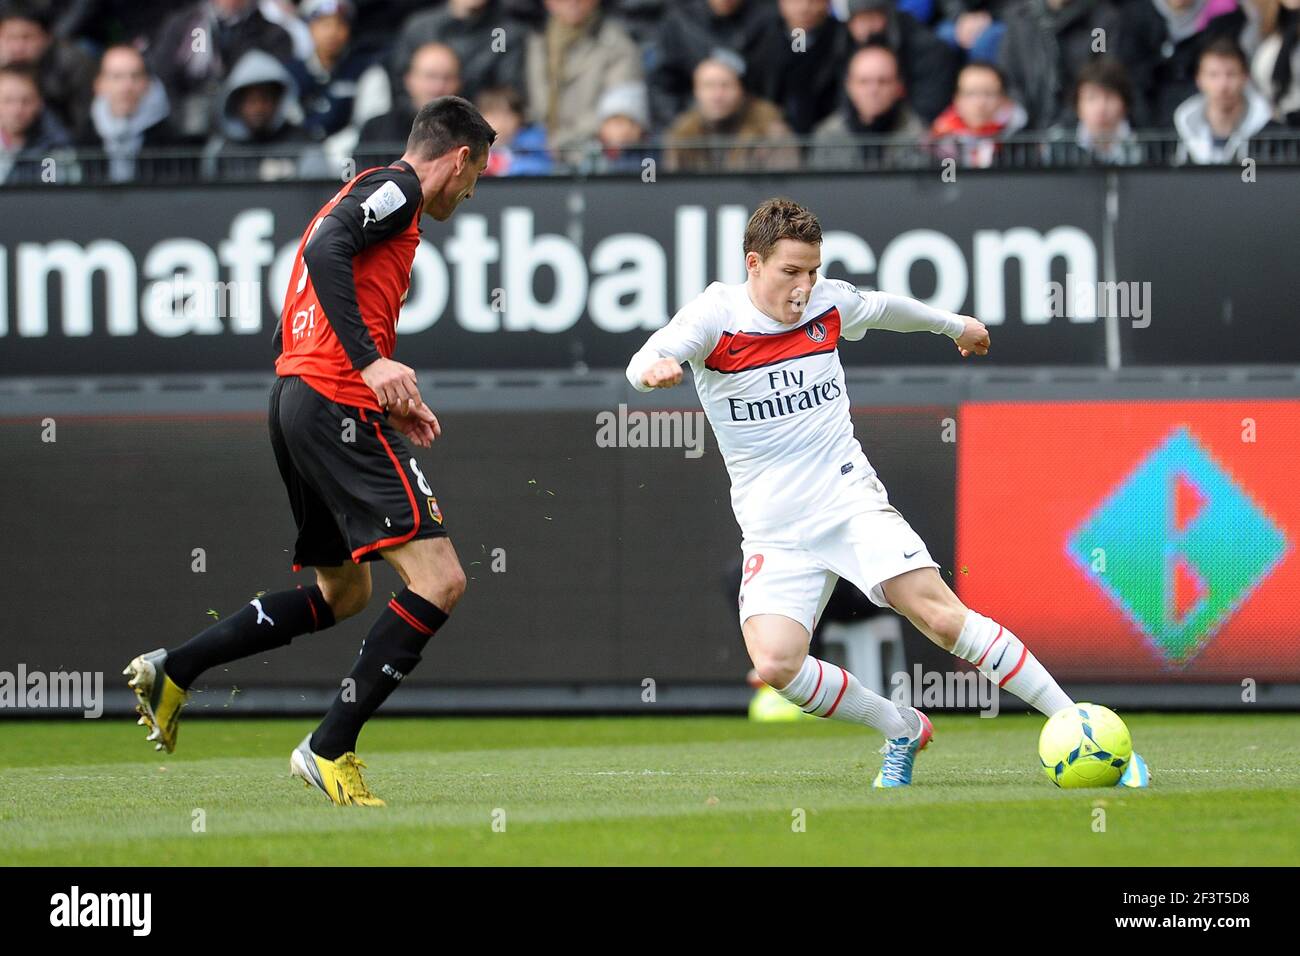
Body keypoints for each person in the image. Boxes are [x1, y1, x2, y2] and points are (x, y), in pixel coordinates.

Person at [624, 197, 1149, 788]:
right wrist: (656, 370)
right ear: (754, 263)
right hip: (772, 525)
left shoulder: (825, 304)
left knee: (940, 617)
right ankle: (900, 727)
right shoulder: (714, 317)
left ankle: (1085, 730)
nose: (804, 286)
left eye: (812, 270)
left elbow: (886, 308)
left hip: (847, 500)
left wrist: (957, 326)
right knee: (776, 663)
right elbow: (646, 357)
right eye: (790, 271)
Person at [125, 96, 496, 807]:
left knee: (345, 592)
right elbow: (328, 245)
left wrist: (369, 377)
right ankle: (328, 746)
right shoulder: (399, 188)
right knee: (440, 579)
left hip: (298, 396)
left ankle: (176, 668)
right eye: (476, 173)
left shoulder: (371, 196)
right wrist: (367, 366)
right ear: (458, 158)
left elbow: (311, 272)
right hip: (335, 401)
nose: (472, 190)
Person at [523, 0, 644, 155]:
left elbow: (618, 118)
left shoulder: (618, 45)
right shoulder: (535, 42)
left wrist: (560, 141)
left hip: (593, 153)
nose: (573, 2)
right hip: (537, 152)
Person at [663, 50, 798, 172]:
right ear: (696, 91)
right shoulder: (681, 135)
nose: (717, 95)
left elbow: (787, 192)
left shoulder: (771, 133)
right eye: (708, 86)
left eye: (726, 85)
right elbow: (674, 192)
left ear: (743, 90)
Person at [809, 42, 926, 169]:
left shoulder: (919, 136)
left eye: (883, 82)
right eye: (864, 82)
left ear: (898, 86)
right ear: (849, 86)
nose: (873, 90)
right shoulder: (827, 137)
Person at [77, 45, 183, 183]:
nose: (127, 86)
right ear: (99, 84)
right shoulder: (82, 136)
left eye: (135, 76)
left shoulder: (171, 139)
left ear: (147, 83)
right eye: (117, 77)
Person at [1174, 35, 1276, 162]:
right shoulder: (1178, 129)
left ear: (1245, 78)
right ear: (1199, 79)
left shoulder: (1272, 133)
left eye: (1231, 74)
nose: (1223, 85)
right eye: (1213, 75)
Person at [928, 60, 1027, 167]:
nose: (980, 103)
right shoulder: (938, 142)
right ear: (957, 98)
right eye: (971, 93)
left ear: (1003, 98)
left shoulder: (1021, 140)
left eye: (989, 93)